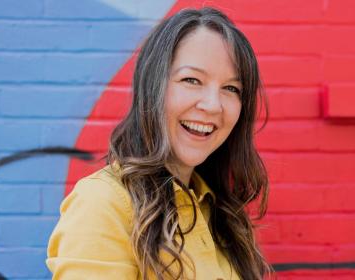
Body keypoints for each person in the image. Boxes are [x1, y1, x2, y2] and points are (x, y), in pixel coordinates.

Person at [46, 7, 273, 280]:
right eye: (192, 80)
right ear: (152, 86)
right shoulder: (103, 203)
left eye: (231, 89)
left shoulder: (217, 210)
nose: (213, 105)